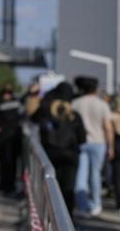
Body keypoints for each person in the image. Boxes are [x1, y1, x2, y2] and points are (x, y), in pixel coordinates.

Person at [33, 82, 86, 213]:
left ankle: (50, 222)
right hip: (70, 156)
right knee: (68, 190)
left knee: (51, 190)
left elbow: (32, 118)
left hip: (50, 156)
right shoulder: (74, 115)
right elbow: (82, 139)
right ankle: (68, 223)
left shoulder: (45, 111)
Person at [72, 76, 115, 216]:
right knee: (95, 174)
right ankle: (96, 204)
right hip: (98, 142)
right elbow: (108, 127)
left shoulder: (75, 103)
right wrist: (111, 146)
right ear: (95, 89)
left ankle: (82, 205)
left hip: (80, 142)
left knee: (81, 175)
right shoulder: (102, 104)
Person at [0, 86, 23, 195]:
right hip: (13, 139)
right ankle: (8, 187)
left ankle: (6, 187)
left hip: (5, 139)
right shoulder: (17, 104)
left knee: (6, 165)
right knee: (10, 165)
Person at [110, 95, 120, 216]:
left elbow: (110, 134)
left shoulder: (113, 117)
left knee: (118, 177)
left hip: (118, 146)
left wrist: (110, 148)